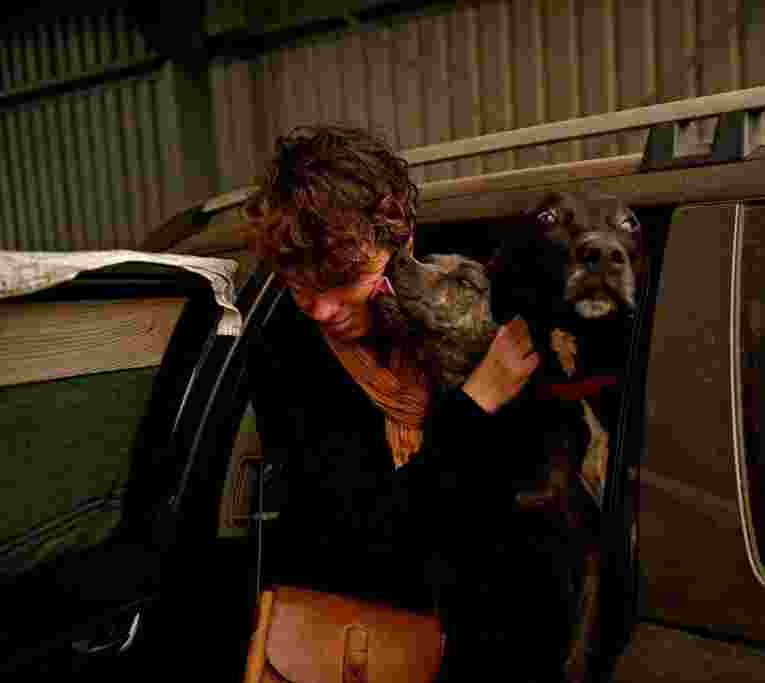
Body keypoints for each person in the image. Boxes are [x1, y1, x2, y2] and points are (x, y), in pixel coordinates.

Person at [244, 125, 573, 682]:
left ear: (399, 242)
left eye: (344, 280)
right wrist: (475, 405)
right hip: (362, 646)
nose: (321, 309)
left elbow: (525, 501)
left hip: (496, 642)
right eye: (300, 286)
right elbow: (368, 531)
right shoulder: (285, 355)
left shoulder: (471, 312)